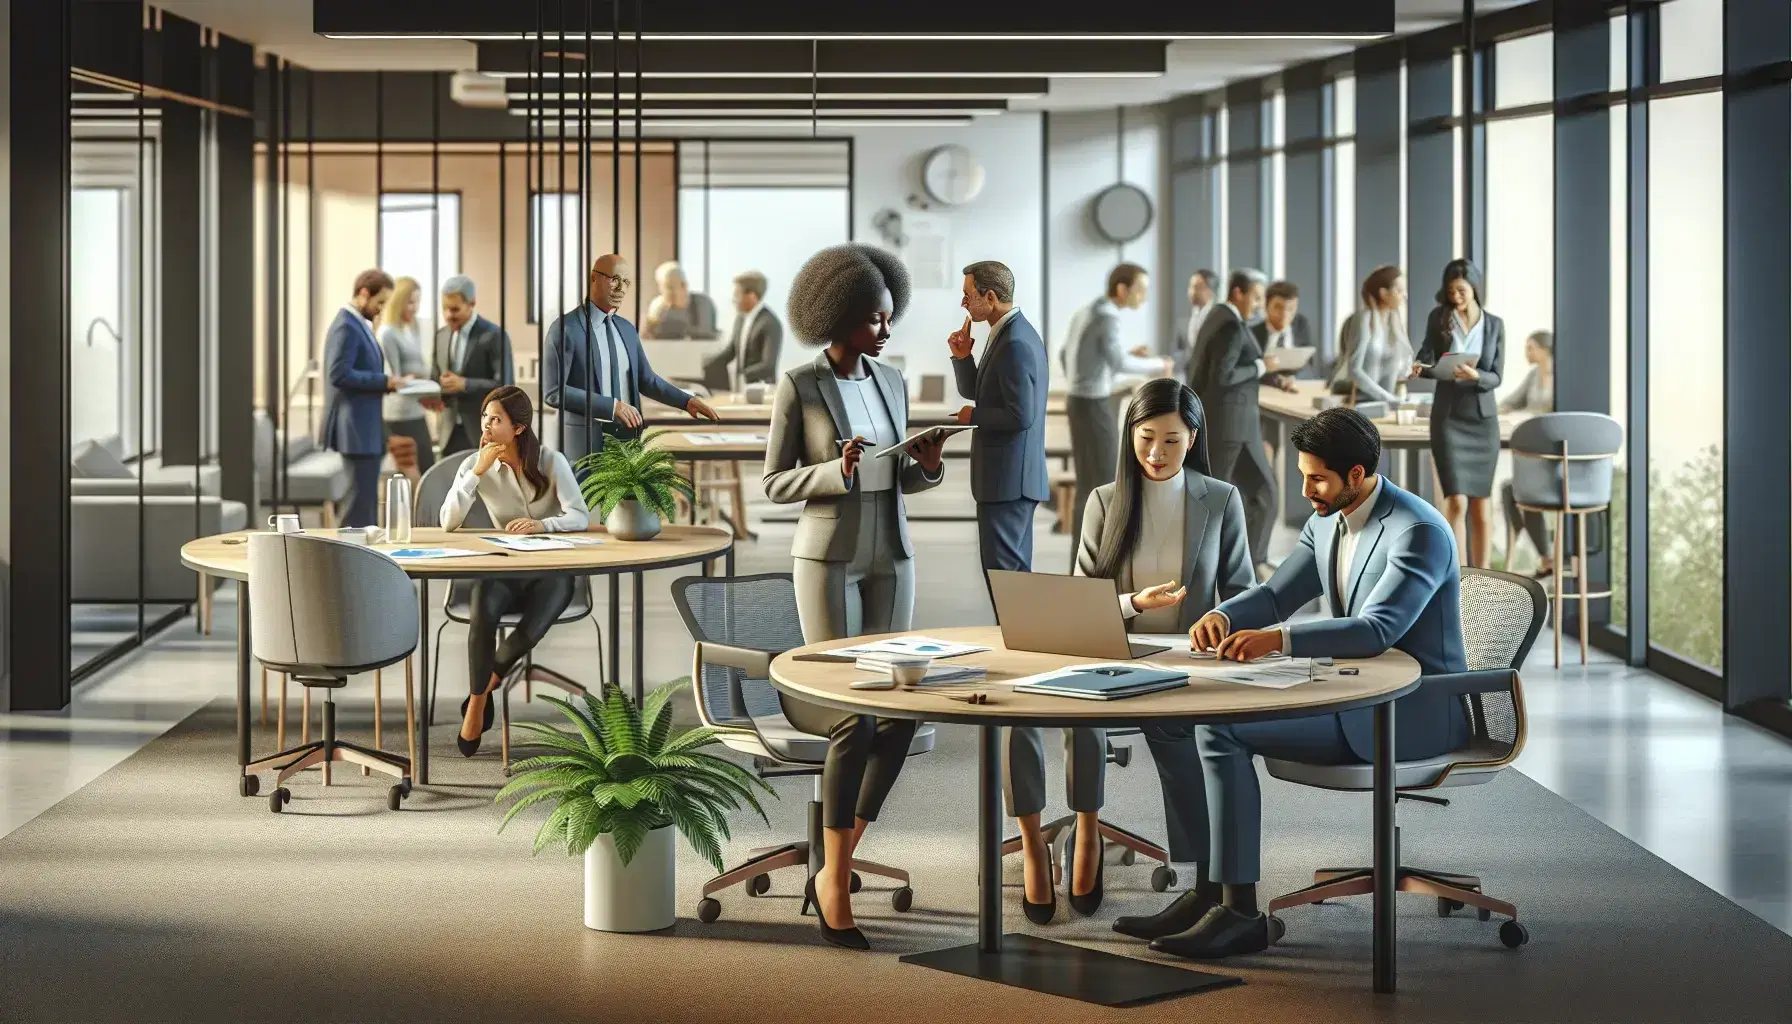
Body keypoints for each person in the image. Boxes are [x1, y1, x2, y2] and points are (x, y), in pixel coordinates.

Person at [1113, 407, 1468, 960]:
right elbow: (1278, 593)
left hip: (1411, 712)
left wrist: (1277, 641)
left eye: (1317, 478)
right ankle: (1211, 896)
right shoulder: (1326, 518)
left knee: (1223, 731)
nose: (1305, 490)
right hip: (1354, 691)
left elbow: (1378, 630)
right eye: (1302, 475)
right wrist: (1227, 615)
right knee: (1211, 718)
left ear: (1357, 475)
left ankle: (1238, 913)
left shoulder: (1417, 532)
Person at [1006, 379, 1255, 926]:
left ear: (1193, 437)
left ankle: (1203, 878)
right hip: (1111, 657)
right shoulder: (1104, 501)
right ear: (1130, 436)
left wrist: (1221, 622)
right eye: (1145, 438)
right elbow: (1081, 601)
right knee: (1057, 710)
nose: (1155, 454)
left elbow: (1242, 593)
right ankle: (1087, 830)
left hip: (1186, 665)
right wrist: (1132, 603)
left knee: (1188, 741)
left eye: (1170, 440)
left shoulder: (1220, 499)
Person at [762, 243, 948, 950]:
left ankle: (838, 855)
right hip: (829, 555)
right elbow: (775, 483)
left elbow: (902, 474)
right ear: (838, 317)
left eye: (890, 318)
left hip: (890, 555)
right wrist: (832, 472)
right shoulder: (801, 384)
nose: (887, 331)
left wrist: (924, 467)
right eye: (876, 319)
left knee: (899, 707)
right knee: (850, 716)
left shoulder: (893, 380)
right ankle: (836, 881)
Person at [439, 385, 589, 758]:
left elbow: (580, 515)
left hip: (552, 572)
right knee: (482, 611)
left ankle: (481, 693)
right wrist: (476, 473)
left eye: (496, 420)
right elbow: (447, 523)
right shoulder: (476, 464)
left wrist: (543, 526)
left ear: (518, 428)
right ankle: (478, 702)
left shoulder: (551, 461)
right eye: (485, 418)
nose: (486, 426)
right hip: (505, 568)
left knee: (532, 626)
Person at [542, 254, 719, 469]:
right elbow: (553, 392)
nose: (621, 288)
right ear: (593, 279)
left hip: (629, 442)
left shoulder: (626, 329)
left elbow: (647, 380)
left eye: (626, 282)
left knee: (640, 503)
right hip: (585, 446)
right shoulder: (565, 329)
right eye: (614, 279)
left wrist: (686, 401)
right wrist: (611, 406)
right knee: (588, 504)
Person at [1059, 263, 1173, 551]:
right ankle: (1095, 559)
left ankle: (1081, 557)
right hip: (1094, 405)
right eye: (1140, 290)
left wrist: (1094, 373)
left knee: (1089, 483)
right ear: (1122, 288)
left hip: (1078, 400)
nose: (1143, 297)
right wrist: (1160, 365)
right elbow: (1119, 363)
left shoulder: (1089, 310)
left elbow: (1067, 354)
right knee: (1104, 483)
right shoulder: (1108, 317)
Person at [948, 259, 1050, 579]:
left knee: (1007, 580)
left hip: (1008, 484)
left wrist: (972, 417)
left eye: (968, 295)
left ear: (989, 297)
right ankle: (1018, 631)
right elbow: (981, 392)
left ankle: (1016, 632)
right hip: (1009, 483)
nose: (963, 302)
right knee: (1012, 579)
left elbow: (1020, 416)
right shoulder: (1006, 332)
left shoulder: (1015, 342)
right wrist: (963, 358)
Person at [1187, 268, 1286, 578]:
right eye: (1256, 297)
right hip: (1232, 426)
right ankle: (1242, 565)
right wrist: (1260, 365)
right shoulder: (1229, 324)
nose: (1258, 305)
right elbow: (1223, 375)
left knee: (1249, 495)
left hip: (1230, 423)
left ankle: (1248, 564)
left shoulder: (1218, 317)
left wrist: (1270, 375)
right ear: (1238, 293)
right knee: (1256, 494)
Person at [1413, 258, 1505, 567]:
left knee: (1482, 505)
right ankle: (1458, 576)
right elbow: (1426, 357)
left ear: (1475, 287)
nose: (1456, 297)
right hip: (1448, 419)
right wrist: (1420, 367)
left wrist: (1477, 377)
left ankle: (1484, 576)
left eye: (1462, 290)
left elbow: (1496, 376)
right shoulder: (1439, 318)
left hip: (1482, 420)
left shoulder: (1494, 325)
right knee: (1456, 501)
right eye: (1451, 291)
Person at [321, 269, 404, 528]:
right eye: (379, 302)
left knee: (365, 502)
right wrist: (382, 381)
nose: (380, 310)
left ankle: (363, 562)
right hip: (355, 429)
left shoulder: (359, 324)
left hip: (364, 428)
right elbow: (338, 373)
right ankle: (350, 564)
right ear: (363, 294)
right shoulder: (346, 325)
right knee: (357, 506)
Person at [433, 274, 516, 457]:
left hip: (484, 432)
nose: (448, 316)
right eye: (445, 309)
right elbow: (435, 377)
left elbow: (506, 385)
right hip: (448, 432)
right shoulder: (441, 336)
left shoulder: (494, 336)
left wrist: (465, 384)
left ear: (472, 303)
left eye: (455, 309)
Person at [1499, 329, 1555, 576]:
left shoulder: (1562, 377)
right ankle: (1546, 554)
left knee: (1514, 491)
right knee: (1513, 490)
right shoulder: (1534, 376)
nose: (1527, 353)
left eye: (1531, 347)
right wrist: (1496, 410)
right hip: (1536, 454)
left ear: (1545, 350)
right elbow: (1512, 401)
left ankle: (1542, 554)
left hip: (1556, 457)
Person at [376, 276, 435, 484]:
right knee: (416, 469)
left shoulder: (412, 329)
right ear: (399, 301)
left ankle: (425, 514)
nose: (415, 307)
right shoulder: (388, 333)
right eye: (410, 301)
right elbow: (394, 378)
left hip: (415, 408)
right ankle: (416, 514)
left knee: (428, 465)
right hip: (399, 412)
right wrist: (414, 380)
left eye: (418, 301)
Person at [1328, 265, 1412, 405]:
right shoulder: (1364, 319)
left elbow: (1403, 362)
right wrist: (1388, 398)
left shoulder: (1395, 322)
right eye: (1400, 290)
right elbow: (1355, 370)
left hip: (1386, 403)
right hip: (1358, 403)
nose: (1405, 295)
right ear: (1383, 293)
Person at [701, 270, 784, 393]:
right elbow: (731, 352)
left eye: (736, 294)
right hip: (741, 390)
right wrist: (704, 365)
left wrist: (740, 375)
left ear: (751, 296)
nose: (733, 299)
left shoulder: (770, 323)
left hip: (762, 391)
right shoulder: (740, 319)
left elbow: (768, 365)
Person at [1251, 280, 1318, 382]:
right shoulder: (1252, 333)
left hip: (1295, 386)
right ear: (1266, 306)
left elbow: (1309, 365)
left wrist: (1294, 378)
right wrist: (1276, 380)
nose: (1284, 314)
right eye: (1278, 307)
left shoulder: (1301, 326)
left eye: (1291, 308)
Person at [641, 260, 719, 340]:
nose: (666, 293)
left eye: (670, 287)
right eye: (662, 288)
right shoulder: (657, 308)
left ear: (684, 285)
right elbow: (649, 339)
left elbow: (709, 337)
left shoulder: (704, 305)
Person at [1171, 269, 1219, 379]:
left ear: (1210, 291)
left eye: (1197, 287)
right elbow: (1176, 351)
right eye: (1190, 287)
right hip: (1187, 379)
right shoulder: (1182, 318)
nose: (1192, 292)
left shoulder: (1218, 316)